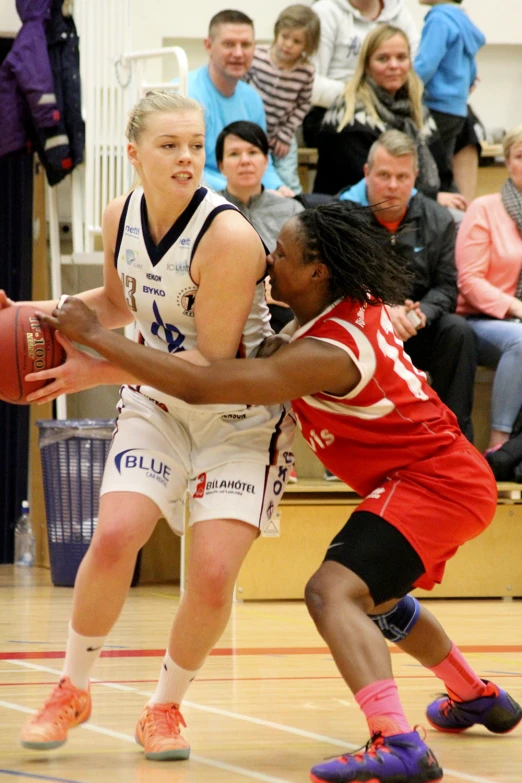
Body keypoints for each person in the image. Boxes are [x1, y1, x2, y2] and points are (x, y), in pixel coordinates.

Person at [41, 202, 522, 783]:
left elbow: (201, 384)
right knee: (380, 596)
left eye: (284, 256)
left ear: (319, 271)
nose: (268, 262)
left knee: (331, 592)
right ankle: (475, 696)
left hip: (435, 481)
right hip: (441, 479)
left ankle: (397, 742)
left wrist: (99, 339)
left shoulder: (326, 353)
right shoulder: (326, 317)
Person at [11, 89, 295, 759]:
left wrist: (96, 370)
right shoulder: (120, 216)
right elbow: (114, 303)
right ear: (134, 154)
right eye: (170, 146)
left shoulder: (228, 235)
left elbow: (210, 364)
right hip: (159, 403)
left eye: (197, 145)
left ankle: (164, 706)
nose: (187, 158)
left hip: (236, 416)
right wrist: (24, 313)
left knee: (213, 575)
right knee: (114, 534)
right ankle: (71, 688)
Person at [339, 129, 477, 440]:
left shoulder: (438, 219)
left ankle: (455, 439)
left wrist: (419, 315)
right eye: (384, 175)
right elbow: (336, 284)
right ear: (366, 172)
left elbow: (447, 288)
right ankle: (355, 442)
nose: (392, 185)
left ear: (415, 177)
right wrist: (383, 311)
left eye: (402, 177)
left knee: (458, 331)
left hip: (415, 325)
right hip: (361, 324)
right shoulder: (342, 217)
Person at [313, 24, 467, 216]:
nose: (394, 65)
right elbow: (371, 186)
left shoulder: (417, 111)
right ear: (366, 65)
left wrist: (449, 198)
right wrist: (433, 198)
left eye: (401, 57)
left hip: (411, 207)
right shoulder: (348, 114)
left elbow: (442, 172)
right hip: (353, 214)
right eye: (383, 58)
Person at [455, 124, 522, 454]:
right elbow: (469, 281)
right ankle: (500, 445)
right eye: (521, 156)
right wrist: (516, 307)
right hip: (479, 320)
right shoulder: (484, 208)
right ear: (507, 162)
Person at [187, 9, 293, 196]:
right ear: (208, 45)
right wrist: (243, 189)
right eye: (229, 44)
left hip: (243, 194)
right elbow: (186, 166)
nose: (238, 53)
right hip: (198, 196)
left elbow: (261, 157)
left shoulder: (252, 99)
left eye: (245, 45)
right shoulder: (186, 94)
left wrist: (278, 188)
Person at [216, 120, 303, 334]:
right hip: (223, 309)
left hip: (282, 311)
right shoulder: (208, 210)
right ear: (220, 165)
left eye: (253, 152)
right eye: (234, 154)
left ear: (266, 160)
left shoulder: (291, 209)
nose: (245, 161)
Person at [303, 0, 420, 148]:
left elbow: (415, 69)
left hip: (392, 107)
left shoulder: (398, 11)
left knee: (423, 127)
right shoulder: (325, 12)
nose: (393, 64)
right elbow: (309, 83)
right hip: (335, 110)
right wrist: (361, 95)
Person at [245, 4, 320, 194]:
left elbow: (303, 104)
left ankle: (294, 205)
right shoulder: (257, 56)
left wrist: (286, 134)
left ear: (308, 46)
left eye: (297, 41)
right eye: (285, 37)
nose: (288, 44)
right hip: (252, 130)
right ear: (277, 32)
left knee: (288, 177)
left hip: (282, 134)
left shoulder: (306, 71)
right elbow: (241, 90)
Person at [414, 0, 485, 167]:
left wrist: (404, 87)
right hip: (456, 109)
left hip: (435, 106)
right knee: (442, 166)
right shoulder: (461, 19)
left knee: (429, 168)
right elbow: (472, 69)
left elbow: (425, 64)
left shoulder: (438, 20)